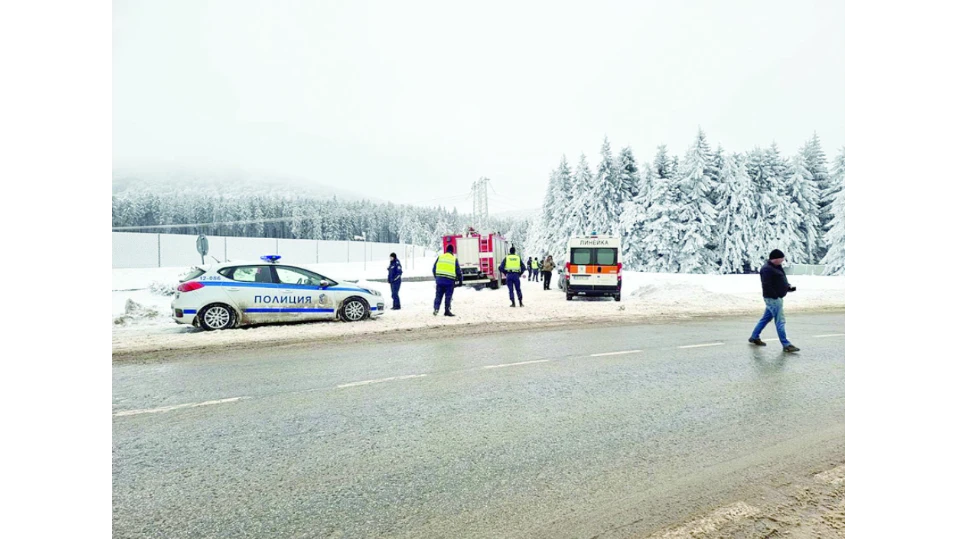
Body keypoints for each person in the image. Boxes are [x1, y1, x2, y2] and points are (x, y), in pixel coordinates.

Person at [749, 249, 800, 352]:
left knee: (765, 319)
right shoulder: (767, 269)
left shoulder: (776, 267)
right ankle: (786, 344)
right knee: (780, 321)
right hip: (773, 299)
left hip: (776, 297)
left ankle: (754, 337)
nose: (783, 260)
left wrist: (787, 287)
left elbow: (779, 281)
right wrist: (775, 296)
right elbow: (766, 285)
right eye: (781, 258)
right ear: (775, 259)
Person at [432, 244, 462, 317]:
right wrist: (460, 281)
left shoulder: (440, 257)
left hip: (440, 281)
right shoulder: (454, 259)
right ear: (453, 251)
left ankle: (436, 308)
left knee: (438, 295)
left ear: (446, 250)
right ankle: (447, 311)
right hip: (449, 281)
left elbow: (433, 269)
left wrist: (437, 278)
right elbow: (458, 272)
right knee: (448, 296)